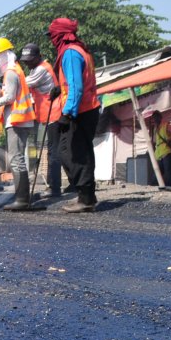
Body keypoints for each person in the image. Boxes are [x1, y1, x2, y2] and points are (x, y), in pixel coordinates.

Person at [0, 38, 37, 210]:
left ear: (2, 55)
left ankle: (22, 200)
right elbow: (9, 93)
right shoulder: (15, 70)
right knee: (17, 159)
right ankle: (22, 199)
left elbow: (9, 98)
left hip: (17, 121)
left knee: (17, 160)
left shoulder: (11, 72)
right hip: (20, 121)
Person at [49, 17, 101, 212]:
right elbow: (74, 82)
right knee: (78, 153)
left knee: (74, 154)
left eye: (53, 36)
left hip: (80, 111)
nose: (51, 40)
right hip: (87, 109)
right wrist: (58, 89)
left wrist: (68, 113)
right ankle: (86, 196)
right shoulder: (80, 51)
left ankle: (86, 199)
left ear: (60, 35)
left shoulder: (70, 53)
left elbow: (77, 87)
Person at [19, 43, 63, 198]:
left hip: (54, 113)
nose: (27, 62)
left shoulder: (41, 69)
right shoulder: (34, 68)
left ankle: (54, 187)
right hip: (47, 114)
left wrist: (1, 86)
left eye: (30, 59)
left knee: (53, 152)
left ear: (38, 56)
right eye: (25, 60)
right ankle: (58, 186)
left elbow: (21, 85)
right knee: (53, 151)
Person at [143, 109, 171, 187]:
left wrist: (170, 139)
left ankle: (168, 186)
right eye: (154, 118)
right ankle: (153, 185)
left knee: (167, 171)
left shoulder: (165, 125)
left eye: (156, 118)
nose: (154, 120)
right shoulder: (155, 129)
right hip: (159, 153)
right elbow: (154, 142)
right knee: (159, 171)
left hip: (166, 151)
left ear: (160, 118)